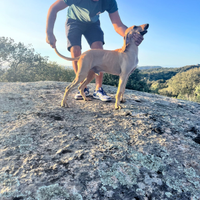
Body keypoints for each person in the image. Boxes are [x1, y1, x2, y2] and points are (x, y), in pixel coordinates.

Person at [46, 0, 143, 101]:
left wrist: (131, 35)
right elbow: (54, 8)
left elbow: (118, 25)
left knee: (98, 50)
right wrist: (49, 33)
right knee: (75, 50)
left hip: (93, 24)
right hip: (74, 21)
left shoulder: (110, 2)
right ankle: (83, 88)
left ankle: (98, 89)